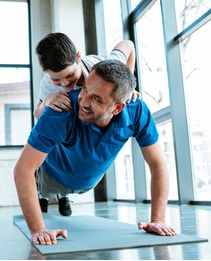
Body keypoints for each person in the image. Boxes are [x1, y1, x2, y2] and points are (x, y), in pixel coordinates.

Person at [14, 60, 176, 245]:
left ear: (118, 108)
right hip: (54, 176)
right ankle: (48, 194)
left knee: (80, 180)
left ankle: (62, 196)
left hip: (89, 179)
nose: (83, 101)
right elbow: (22, 170)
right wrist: (38, 229)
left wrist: (157, 220)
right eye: (85, 89)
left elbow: (157, 164)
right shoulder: (60, 111)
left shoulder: (136, 111)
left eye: (97, 99)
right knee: (44, 190)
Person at [34, 32, 140, 214]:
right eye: (56, 79)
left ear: (78, 56)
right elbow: (37, 114)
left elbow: (128, 45)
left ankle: (63, 196)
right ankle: (43, 195)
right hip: (68, 125)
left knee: (82, 160)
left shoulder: (106, 66)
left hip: (92, 121)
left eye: (69, 75)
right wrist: (47, 101)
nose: (65, 83)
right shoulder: (49, 85)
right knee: (59, 159)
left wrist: (127, 88)